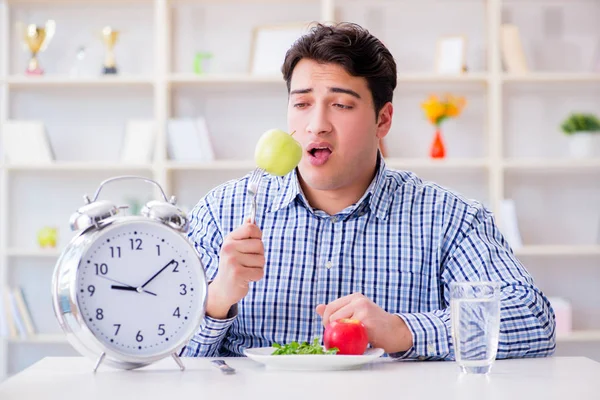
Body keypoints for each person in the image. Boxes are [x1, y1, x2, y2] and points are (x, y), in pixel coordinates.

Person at [181, 22, 556, 360]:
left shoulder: (449, 219)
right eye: (302, 103)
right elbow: (163, 351)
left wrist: (403, 330)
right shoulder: (222, 211)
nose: (316, 125)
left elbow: (533, 319)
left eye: (341, 104)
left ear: (383, 119)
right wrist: (216, 299)